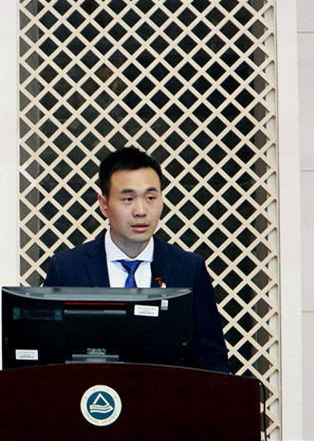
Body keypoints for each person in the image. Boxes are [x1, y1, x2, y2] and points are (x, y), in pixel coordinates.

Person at [43, 146, 229, 373]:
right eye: (128, 199)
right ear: (104, 205)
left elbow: (211, 360)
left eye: (150, 198)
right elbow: (47, 358)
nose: (141, 211)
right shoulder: (67, 269)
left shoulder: (189, 269)